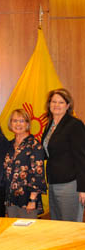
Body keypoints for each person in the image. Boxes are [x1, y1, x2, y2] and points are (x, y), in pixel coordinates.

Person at [42, 88, 85, 222]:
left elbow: (81, 158)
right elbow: (48, 153)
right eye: (53, 101)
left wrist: (83, 188)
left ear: (67, 105)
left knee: (70, 227)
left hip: (70, 184)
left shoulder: (75, 125)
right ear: (49, 105)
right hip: (54, 182)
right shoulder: (50, 125)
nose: (56, 105)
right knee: (57, 225)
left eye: (61, 102)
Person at [3, 109, 46, 219]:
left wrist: (32, 200)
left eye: (22, 121)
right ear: (10, 123)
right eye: (15, 121)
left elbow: (38, 175)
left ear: (27, 124)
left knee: (27, 233)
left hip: (27, 200)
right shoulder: (9, 145)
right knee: (12, 232)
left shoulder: (35, 145)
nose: (18, 124)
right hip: (10, 199)